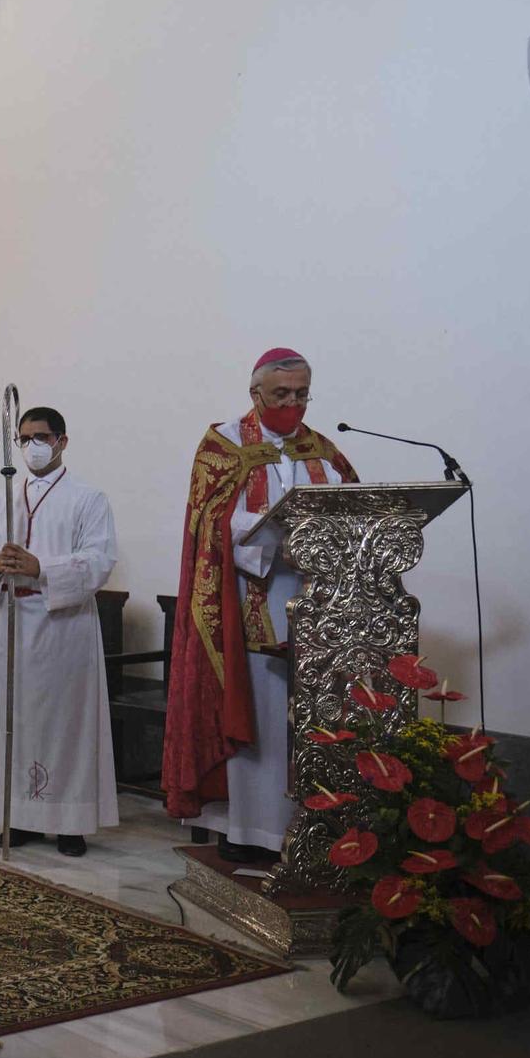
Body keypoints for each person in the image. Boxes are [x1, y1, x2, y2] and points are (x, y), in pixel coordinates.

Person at [162, 349, 358, 865]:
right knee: (261, 716)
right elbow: (209, 525)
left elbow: (354, 505)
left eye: (301, 394)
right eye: (281, 394)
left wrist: (324, 539)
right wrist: (272, 542)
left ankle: (310, 826)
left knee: (305, 717)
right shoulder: (223, 443)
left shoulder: (322, 449)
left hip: (317, 604)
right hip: (251, 597)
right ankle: (248, 829)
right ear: (255, 395)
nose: (292, 404)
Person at [0, 407, 120, 856]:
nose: (33, 446)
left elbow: (100, 559)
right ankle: (21, 818)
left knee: (66, 724)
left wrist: (41, 567)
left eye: (42, 437)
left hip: (62, 626)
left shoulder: (89, 499)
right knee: (13, 721)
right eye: (25, 437)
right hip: (9, 622)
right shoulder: (3, 499)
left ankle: (69, 822)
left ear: (62, 441)